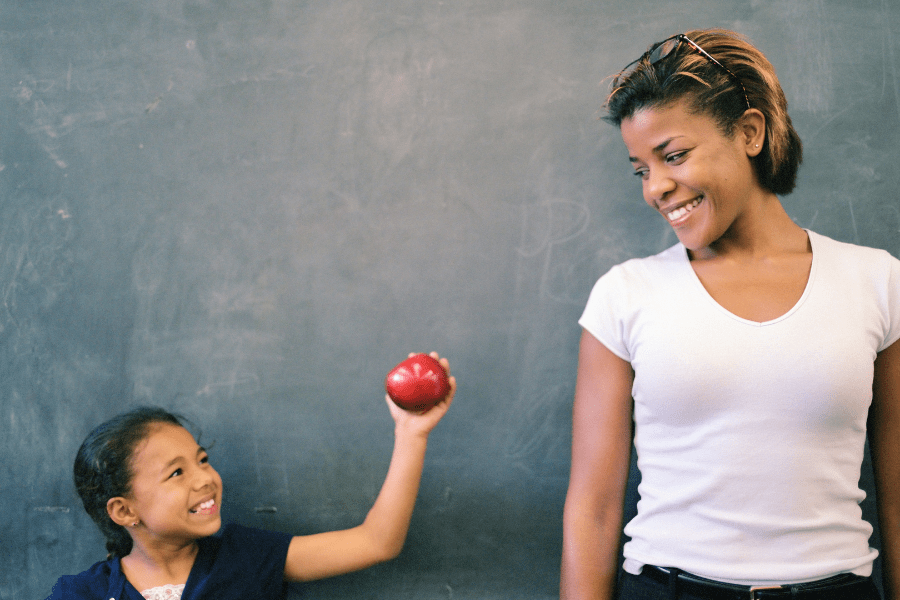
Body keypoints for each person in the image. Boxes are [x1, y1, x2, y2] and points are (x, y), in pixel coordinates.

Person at [561, 28, 900, 600]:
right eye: (642, 169)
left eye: (673, 155)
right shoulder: (626, 295)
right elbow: (593, 508)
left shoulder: (878, 282)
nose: (656, 187)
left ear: (749, 132)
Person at [47, 352, 455, 600]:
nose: (205, 478)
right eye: (176, 472)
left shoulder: (248, 558)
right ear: (123, 509)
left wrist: (410, 434)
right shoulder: (82, 594)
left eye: (202, 460)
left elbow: (376, 542)